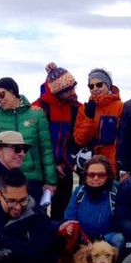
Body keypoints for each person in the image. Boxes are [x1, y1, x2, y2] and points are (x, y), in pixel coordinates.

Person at [0, 77, 57, 204]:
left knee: (32, 219)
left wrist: (50, 181)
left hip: (32, 179)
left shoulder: (36, 115)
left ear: (13, 91)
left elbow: (46, 150)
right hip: (5, 180)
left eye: (1, 95)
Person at [35, 62, 83, 221]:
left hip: (65, 167)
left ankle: (59, 242)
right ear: (56, 92)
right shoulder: (38, 108)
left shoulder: (75, 107)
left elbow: (76, 140)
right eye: (67, 90)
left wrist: (65, 164)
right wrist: (50, 165)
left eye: (73, 87)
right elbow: (35, 141)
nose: (72, 92)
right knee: (37, 209)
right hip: (42, 168)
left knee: (62, 209)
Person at [59, 156, 126, 257]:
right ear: (85, 176)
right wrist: (69, 227)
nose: (95, 178)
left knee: (119, 239)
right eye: (91, 175)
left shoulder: (117, 191)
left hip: (108, 242)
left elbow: (123, 222)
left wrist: (104, 239)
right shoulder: (79, 192)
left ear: (108, 175)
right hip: (83, 242)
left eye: (101, 175)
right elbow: (69, 217)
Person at [74, 67, 124, 173]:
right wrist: (89, 118)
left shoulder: (120, 107)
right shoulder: (84, 109)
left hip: (112, 166)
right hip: (91, 166)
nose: (95, 88)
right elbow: (80, 140)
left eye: (99, 85)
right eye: (91, 86)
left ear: (108, 85)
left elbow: (123, 139)